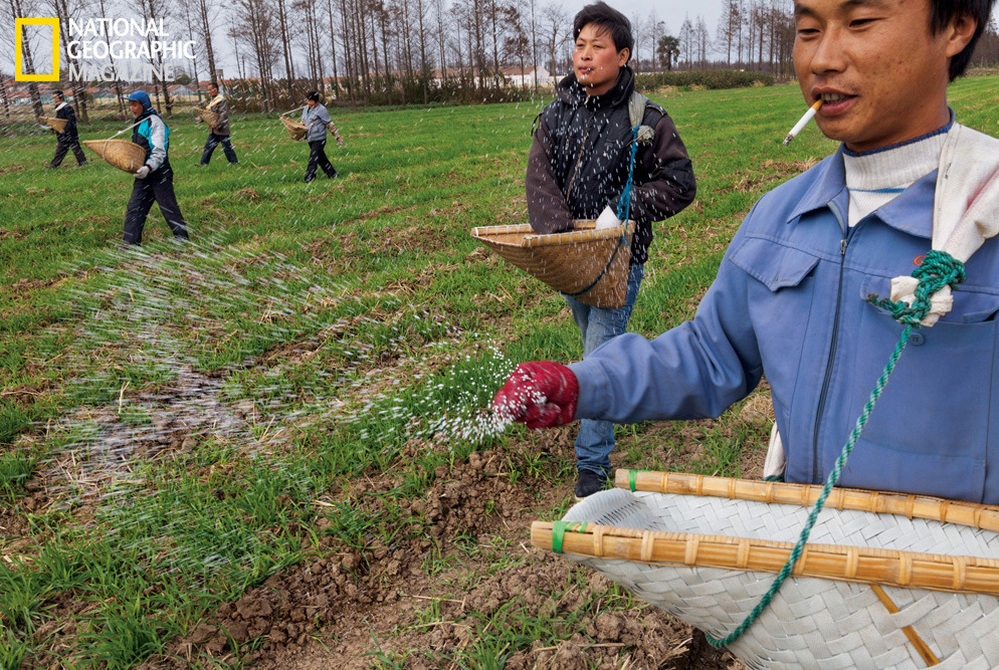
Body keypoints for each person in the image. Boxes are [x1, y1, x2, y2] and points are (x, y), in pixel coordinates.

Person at [495, 0, 999, 505]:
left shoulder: (987, 210)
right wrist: (582, 383)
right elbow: (712, 354)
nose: (822, 58)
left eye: (860, 23)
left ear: (955, 27)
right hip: (810, 555)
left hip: (953, 570)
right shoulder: (780, 218)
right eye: (807, 29)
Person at [524, 1, 696, 500]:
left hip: (620, 261)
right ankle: (615, 395)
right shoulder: (557, 113)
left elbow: (681, 184)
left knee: (597, 356)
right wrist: (561, 238)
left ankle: (592, 464)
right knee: (594, 348)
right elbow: (540, 177)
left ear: (622, 56)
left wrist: (626, 205)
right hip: (571, 259)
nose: (584, 56)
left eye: (597, 47)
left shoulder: (645, 118)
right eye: (579, 45)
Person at [123, 90, 190, 245]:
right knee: (135, 207)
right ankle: (130, 244)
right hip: (144, 175)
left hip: (160, 173)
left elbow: (159, 151)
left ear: (144, 105)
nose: (132, 108)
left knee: (168, 208)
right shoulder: (139, 122)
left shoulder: (154, 122)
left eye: (135, 105)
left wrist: (148, 167)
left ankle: (183, 241)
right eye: (130, 105)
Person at [301, 91, 343, 183]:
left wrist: (337, 138)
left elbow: (329, 124)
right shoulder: (305, 109)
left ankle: (309, 178)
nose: (308, 102)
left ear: (315, 101)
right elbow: (303, 122)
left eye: (310, 100)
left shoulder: (322, 110)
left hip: (319, 138)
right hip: (310, 138)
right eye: (307, 100)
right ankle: (333, 175)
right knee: (321, 158)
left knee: (313, 158)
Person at [199, 81, 239, 165]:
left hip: (222, 129)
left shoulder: (221, 100)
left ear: (215, 89)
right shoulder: (212, 101)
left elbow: (223, 114)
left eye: (210, 90)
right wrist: (200, 118)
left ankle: (234, 163)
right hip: (213, 130)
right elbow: (208, 113)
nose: (209, 92)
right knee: (208, 147)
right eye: (208, 90)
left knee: (227, 148)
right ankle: (203, 164)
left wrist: (218, 123)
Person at [46, 90, 87, 168]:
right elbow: (59, 121)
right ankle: (54, 165)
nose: (54, 99)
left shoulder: (67, 108)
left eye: (55, 97)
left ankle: (54, 165)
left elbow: (72, 122)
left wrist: (65, 130)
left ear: (61, 97)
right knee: (61, 150)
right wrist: (53, 126)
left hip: (69, 134)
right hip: (63, 135)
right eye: (53, 98)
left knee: (74, 150)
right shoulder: (59, 108)